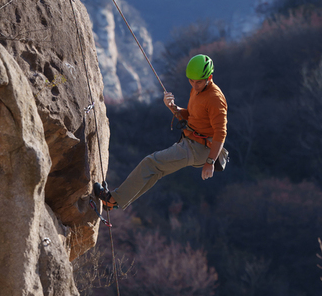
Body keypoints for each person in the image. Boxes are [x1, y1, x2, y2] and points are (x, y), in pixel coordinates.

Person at [94, 54, 227, 210]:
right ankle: (115, 202)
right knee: (155, 171)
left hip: (200, 150)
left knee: (150, 163)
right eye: (191, 81)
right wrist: (173, 107)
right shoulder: (197, 90)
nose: (194, 85)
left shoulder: (215, 99)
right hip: (191, 142)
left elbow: (221, 132)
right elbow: (193, 116)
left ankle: (112, 199)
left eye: (198, 82)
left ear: (209, 77)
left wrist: (210, 162)